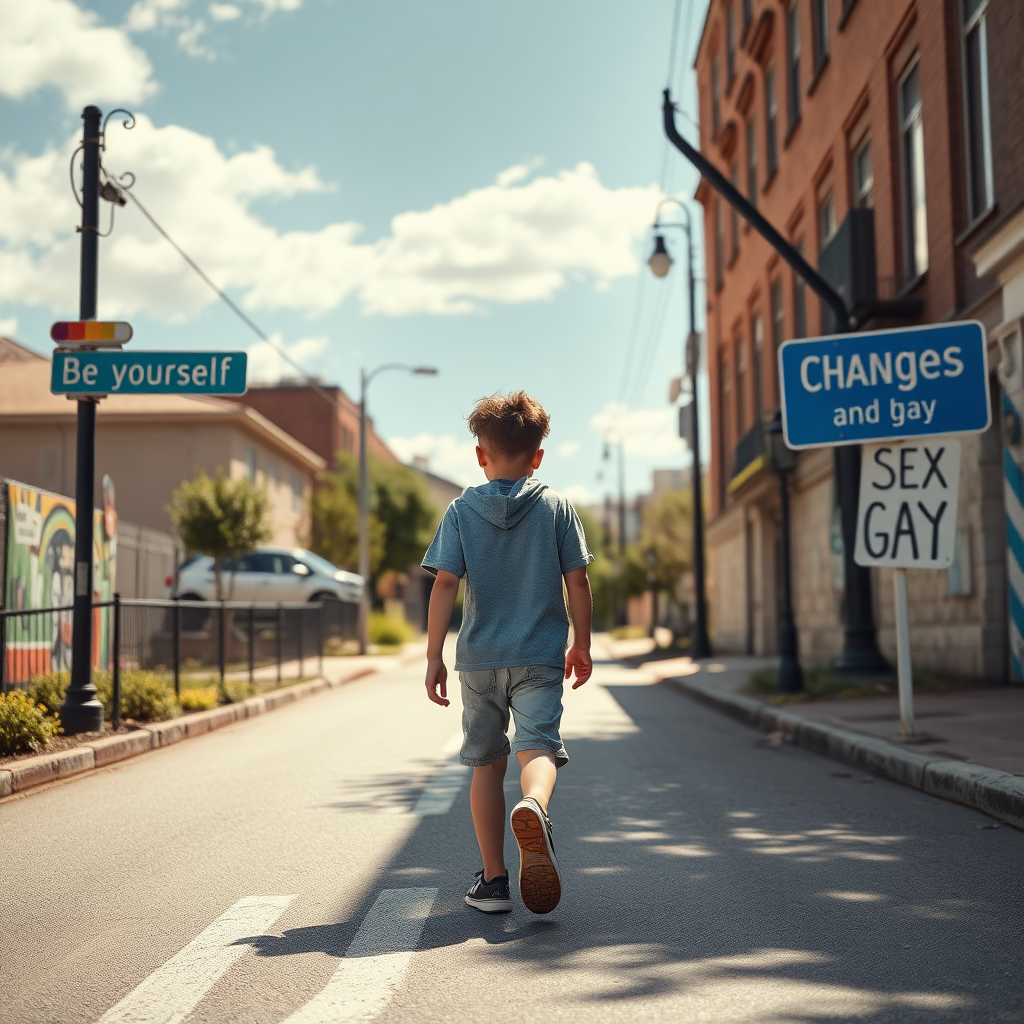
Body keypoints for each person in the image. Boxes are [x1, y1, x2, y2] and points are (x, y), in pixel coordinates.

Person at [422, 391, 594, 915]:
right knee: (537, 748)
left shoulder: (459, 511)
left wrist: (433, 655)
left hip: (478, 660)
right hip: (539, 656)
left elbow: (445, 583)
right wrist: (581, 644)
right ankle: (534, 805)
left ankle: (494, 881)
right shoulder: (557, 506)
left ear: (480, 455)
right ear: (538, 455)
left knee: (486, 764)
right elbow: (578, 581)